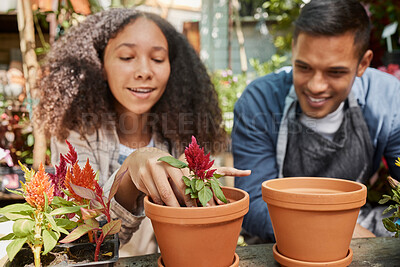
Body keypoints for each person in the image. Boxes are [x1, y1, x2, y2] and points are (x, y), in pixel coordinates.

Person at [35, 8, 250, 256]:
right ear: (100, 65)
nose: (144, 71)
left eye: (158, 59)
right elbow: (86, 243)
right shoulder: (74, 133)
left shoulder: (185, 131)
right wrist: (131, 172)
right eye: (127, 57)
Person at [232, 0, 400, 243]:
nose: (315, 86)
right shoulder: (260, 102)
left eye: (335, 72)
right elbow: (253, 203)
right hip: (279, 232)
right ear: (293, 49)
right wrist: (332, 230)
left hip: (357, 221)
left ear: (363, 63)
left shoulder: (388, 99)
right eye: (304, 67)